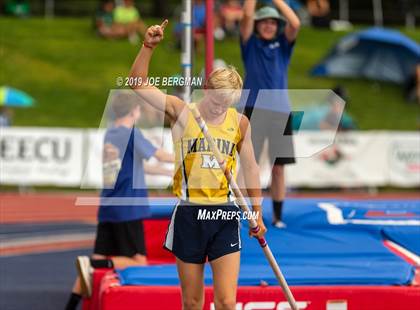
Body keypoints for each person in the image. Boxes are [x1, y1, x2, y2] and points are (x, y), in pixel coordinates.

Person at [129, 20, 267, 310]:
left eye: (226, 103)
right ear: (205, 88)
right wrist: (148, 47)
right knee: (192, 302)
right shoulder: (182, 111)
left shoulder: (239, 122)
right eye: (216, 101)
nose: (220, 108)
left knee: (227, 302)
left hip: (224, 214)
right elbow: (137, 84)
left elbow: (251, 167)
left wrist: (256, 210)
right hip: (190, 213)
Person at [65, 93, 174, 310]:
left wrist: (168, 171)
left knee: (93, 266)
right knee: (138, 261)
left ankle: (70, 305)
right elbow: (160, 155)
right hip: (128, 209)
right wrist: (190, 156)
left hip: (109, 206)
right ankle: (95, 264)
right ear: (134, 111)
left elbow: (134, 166)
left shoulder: (111, 134)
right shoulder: (131, 133)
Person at [239, 1, 300, 228]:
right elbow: (246, 15)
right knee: (248, 163)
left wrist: (277, 1)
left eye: (273, 22)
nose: (268, 26)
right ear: (257, 25)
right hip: (253, 108)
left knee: (278, 167)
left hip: (280, 111)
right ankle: (245, 211)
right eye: (264, 21)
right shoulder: (250, 44)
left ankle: (277, 216)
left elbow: (295, 23)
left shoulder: (283, 45)